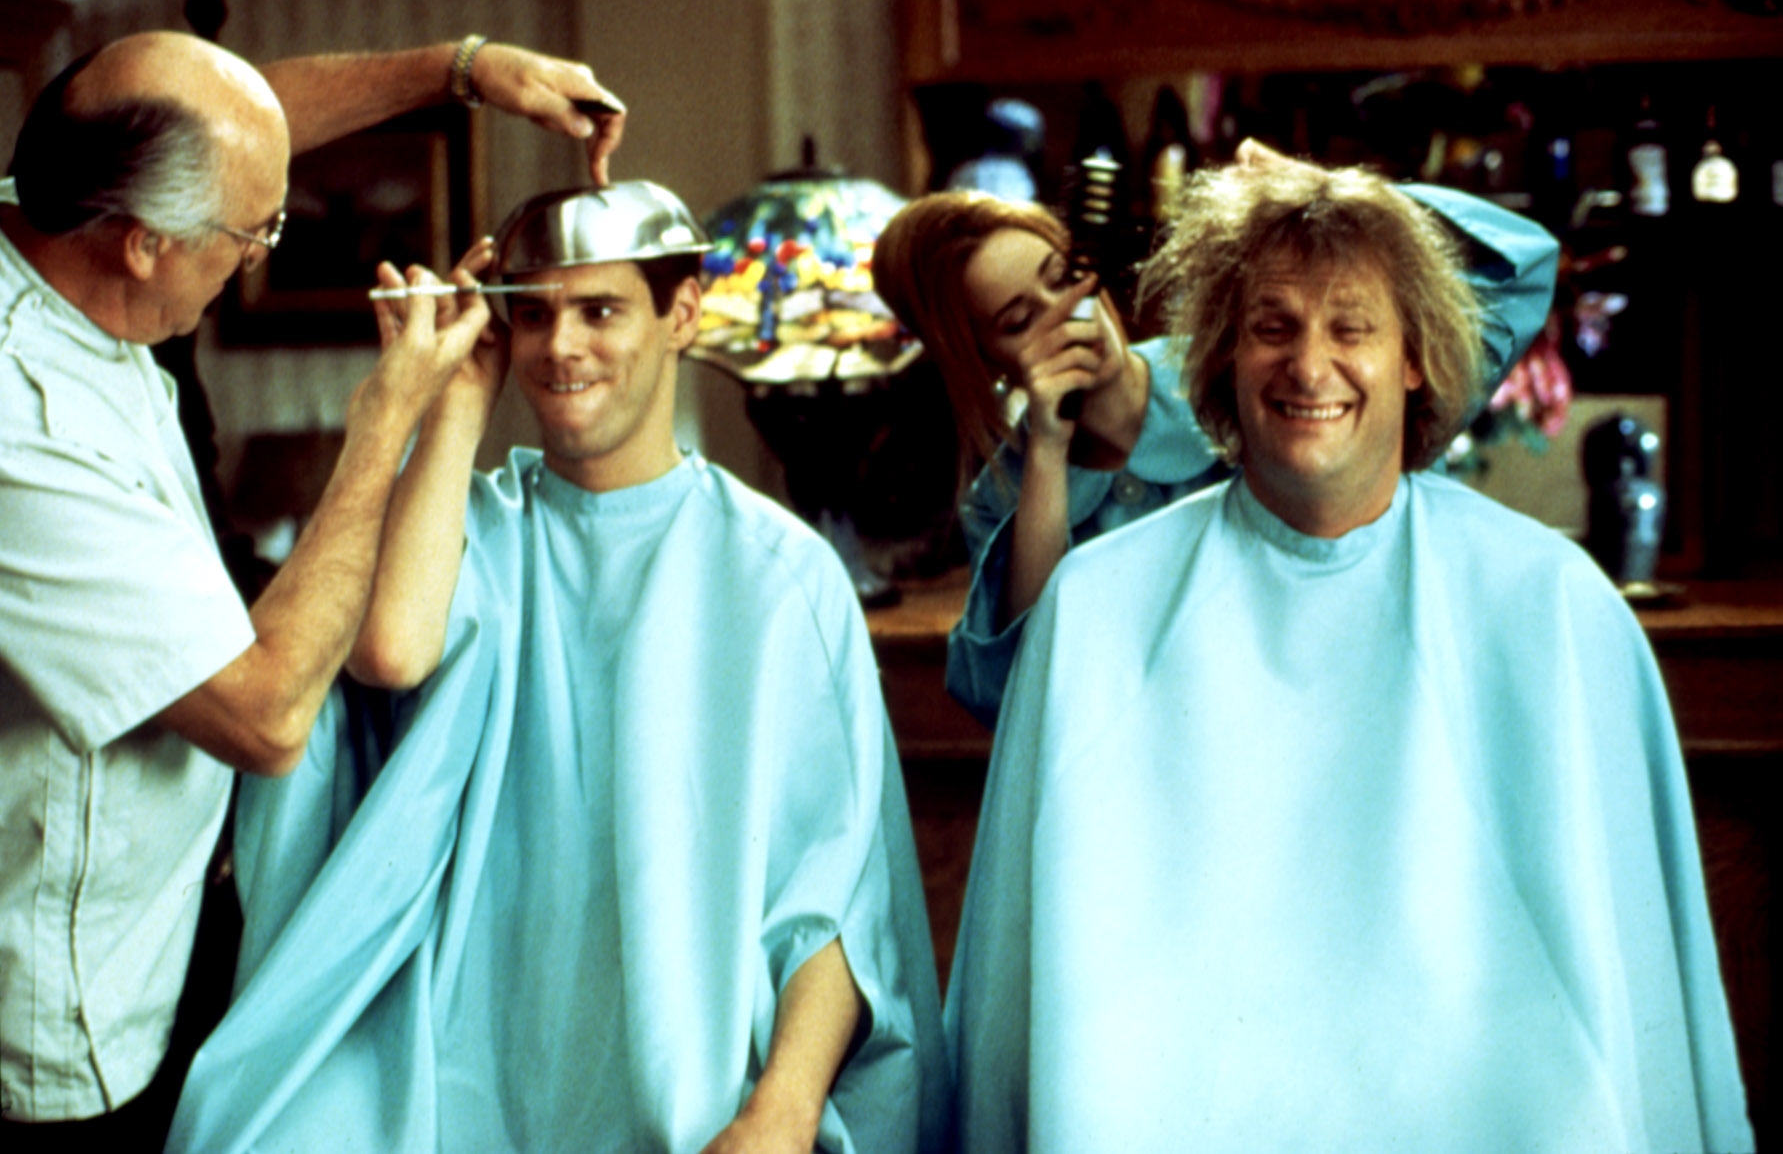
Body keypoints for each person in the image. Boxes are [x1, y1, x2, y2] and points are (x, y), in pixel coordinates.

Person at [944, 154, 1754, 1150]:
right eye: (1271, 327)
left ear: (1413, 356)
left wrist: (1327, 191)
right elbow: (1013, 1004)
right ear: (1221, 360)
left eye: (1351, 327)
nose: (1308, 365)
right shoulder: (1096, 609)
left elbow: (1633, 1010)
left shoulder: (1549, 602)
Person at [164, 183, 949, 1153]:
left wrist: (782, 1112)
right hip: (468, 1055)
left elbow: (833, 897)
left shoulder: (778, 572)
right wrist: (456, 398)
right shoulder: (474, 524)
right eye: (532, 314)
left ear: (683, 314)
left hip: (681, 1058)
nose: (560, 346)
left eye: (600, 310)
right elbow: (392, 652)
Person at [0, 30, 624, 1143]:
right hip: (70, 1027)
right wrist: (391, 412)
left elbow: (222, 126)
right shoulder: (23, 429)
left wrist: (465, 72)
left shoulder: (60, 206)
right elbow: (269, 712)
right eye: (252, 234)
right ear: (142, 241)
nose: (254, 256)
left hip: (186, 930)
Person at [870, 140, 1560, 727]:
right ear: (985, 362)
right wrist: (1049, 455)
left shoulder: (1266, 374)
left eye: (1065, 276)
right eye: (1020, 320)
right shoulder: (1009, 497)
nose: (1067, 313)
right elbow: (1025, 708)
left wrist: (1323, 207)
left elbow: (1519, 266)